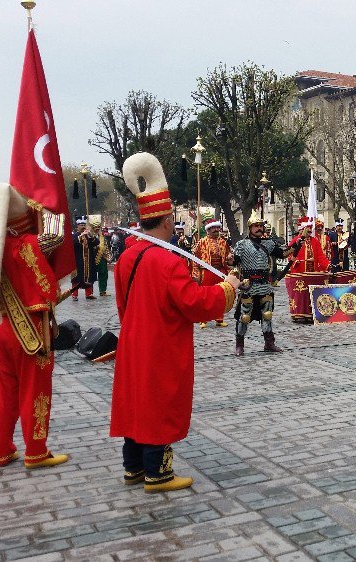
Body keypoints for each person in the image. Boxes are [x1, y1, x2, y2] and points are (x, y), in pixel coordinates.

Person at [112, 152, 239, 493]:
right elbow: (195, 303)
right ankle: (158, 473)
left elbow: (124, 305)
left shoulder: (127, 256)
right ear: (166, 222)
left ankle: (134, 467)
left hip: (133, 342)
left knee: (136, 403)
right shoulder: (168, 263)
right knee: (159, 404)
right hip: (161, 345)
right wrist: (227, 289)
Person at [0, 183, 70, 469]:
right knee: (34, 390)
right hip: (28, 330)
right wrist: (47, 201)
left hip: (0, 328)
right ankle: (36, 451)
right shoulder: (25, 244)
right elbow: (55, 235)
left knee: (3, 392)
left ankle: (2, 449)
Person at [232, 211, 296, 356]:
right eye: (256, 226)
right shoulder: (242, 245)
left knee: (267, 314)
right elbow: (234, 262)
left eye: (261, 226)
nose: (259, 228)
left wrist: (298, 241)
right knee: (244, 316)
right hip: (249, 284)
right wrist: (229, 259)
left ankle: (269, 343)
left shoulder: (268, 243)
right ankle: (239, 345)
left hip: (265, 284)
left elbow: (283, 254)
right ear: (250, 228)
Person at [71, 217, 98, 301]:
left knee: (89, 277)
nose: (83, 227)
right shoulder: (74, 235)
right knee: (76, 278)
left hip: (89, 260)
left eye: (84, 225)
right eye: (81, 225)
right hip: (78, 260)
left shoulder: (88, 235)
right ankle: (74, 294)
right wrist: (80, 236)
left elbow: (97, 243)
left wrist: (90, 235)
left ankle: (89, 294)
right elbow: (73, 243)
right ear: (77, 226)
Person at [91, 217, 112, 297]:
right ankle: (90, 292)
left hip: (102, 258)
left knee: (103, 273)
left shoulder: (102, 237)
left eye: (98, 227)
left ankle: (102, 290)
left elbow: (106, 247)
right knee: (91, 275)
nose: (97, 229)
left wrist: (108, 257)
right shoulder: (89, 236)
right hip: (92, 257)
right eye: (95, 227)